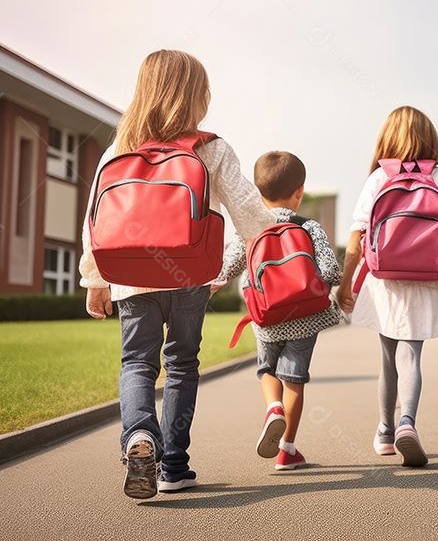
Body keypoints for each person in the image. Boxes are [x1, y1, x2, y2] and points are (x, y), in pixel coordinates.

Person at [80, 50, 274, 500]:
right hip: (189, 274)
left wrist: (95, 281)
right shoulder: (211, 147)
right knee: (183, 365)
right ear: (197, 98)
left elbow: (94, 221)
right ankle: (173, 466)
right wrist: (269, 236)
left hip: (130, 278)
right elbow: (247, 209)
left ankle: (138, 440)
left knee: (137, 363)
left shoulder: (120, 149)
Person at [337, 106, 438, 467]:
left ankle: (385, 429)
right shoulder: (436, 175)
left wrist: (346, 284)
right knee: (411, 354)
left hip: (385, 280)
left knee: (387, 358)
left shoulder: (379, 176)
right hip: (426, 278)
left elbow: (357, 236)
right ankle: (408, 422)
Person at [243, 151, 344, 471]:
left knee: (266, 371)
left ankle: (273, 408)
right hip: (305, 318)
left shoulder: (250, 226)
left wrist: (215, 283)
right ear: (300, 191)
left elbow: (232, 263)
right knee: (295, 381)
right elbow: (331, 270)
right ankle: (287, 450)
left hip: (267, 317)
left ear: (258, 193)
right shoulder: (309, 226)